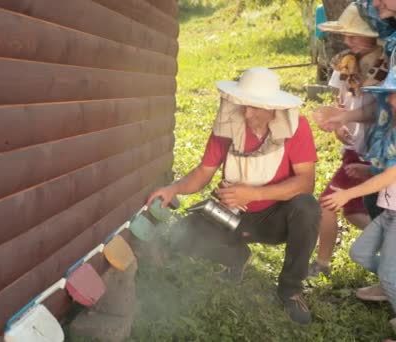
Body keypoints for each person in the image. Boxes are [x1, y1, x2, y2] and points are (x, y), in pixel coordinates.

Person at [147, 67, 320, 325]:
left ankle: (291, 289)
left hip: (276, 218)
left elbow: (306, 182)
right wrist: (174, 189)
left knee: (307, 207)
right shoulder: (228, 125)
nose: (247, 113)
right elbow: (203, 172)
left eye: (255, 107)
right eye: (243, 105)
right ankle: (237, 257)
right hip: (234, 215)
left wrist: (253, 193)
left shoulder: (296, 127)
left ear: (273, 107)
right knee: (184, 234)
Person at [308, 3, 386, 278]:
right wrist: (336, 125)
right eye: (345, 34)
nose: (347, 40)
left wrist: (345, 118)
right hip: (353, 148)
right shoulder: (345, 63)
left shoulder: (387, 65)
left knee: (327, 202)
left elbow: (381, 113)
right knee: (354, 212)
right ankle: (389, 251)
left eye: (355, 34)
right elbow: (339, 104)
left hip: (374, 153)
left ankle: (322, 263)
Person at [321, 67, 396, 332]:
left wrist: (349, 193)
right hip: (389, 211)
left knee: (388, 276)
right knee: (360, 253)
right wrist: (368, 170)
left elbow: (391, 174)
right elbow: (387, 170)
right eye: (389, 95)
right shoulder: (391, 129)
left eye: (394, 95)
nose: (389, 101)